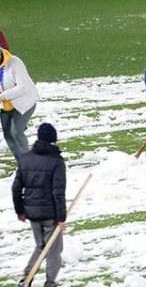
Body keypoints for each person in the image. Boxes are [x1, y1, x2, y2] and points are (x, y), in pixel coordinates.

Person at [12, 123, 66, 287]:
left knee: (40, 246)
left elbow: (16, 187)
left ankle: (27, 277)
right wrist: (61, 218)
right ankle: (50, 282)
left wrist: (20, 210)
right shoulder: (56, 161)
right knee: (54, 251)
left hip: (32, 213)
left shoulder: (26, 158)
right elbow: (58, 193)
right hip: (50, 215)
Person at [0, 48, 39, 162]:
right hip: (6, 107)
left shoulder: (15, 63)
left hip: (25, 104)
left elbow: (23, 87)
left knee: (16, 132)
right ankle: (22, 162)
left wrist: (2, 96)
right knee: (8, 135)